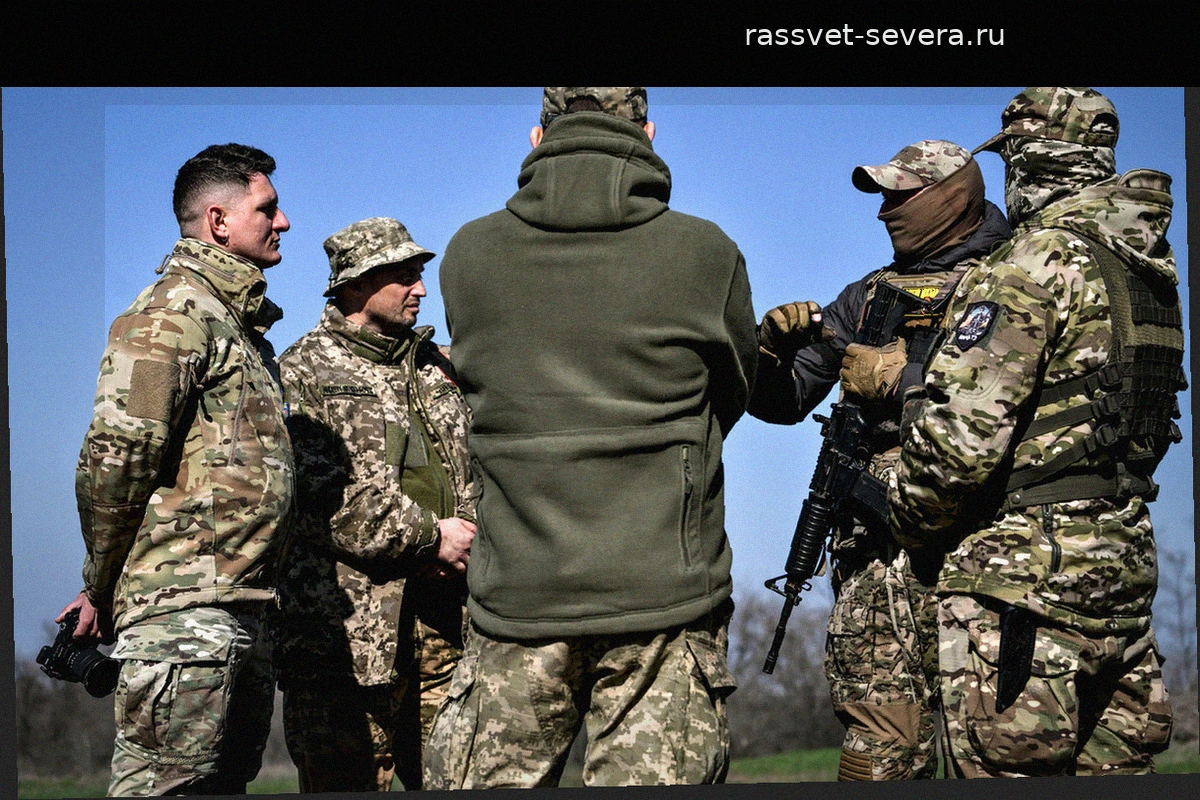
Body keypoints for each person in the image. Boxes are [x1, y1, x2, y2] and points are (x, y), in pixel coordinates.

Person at [423, 87, 763, 788]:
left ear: (537, 137)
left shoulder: (469, 253)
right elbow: (731, 393)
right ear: (648, 132)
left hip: (515, 594)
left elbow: (480, 386)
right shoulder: (705, 251)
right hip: (664, 596)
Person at [885, 87, 1183, 776]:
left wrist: (905, 522)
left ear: (1027, 160)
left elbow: (956, 449)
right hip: (1123, 578)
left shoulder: (1033, 262)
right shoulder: (1146, 271)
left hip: (1024, 592)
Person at [749, 140, 1010, 780]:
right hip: (872, 563)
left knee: (996, 747)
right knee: (877, 745)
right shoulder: (867, 297)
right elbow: (783, 402)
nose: (884, 212)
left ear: (951, 196)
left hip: (983, 556)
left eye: (900, 196)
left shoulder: (1014, 280)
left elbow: (1007, 401)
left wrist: (904, 380)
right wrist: (768, 352)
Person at [60, 143, 295, 795]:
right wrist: (99, 585)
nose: (283, 221)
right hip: (185, 616)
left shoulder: (237, 327)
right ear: (219, 221)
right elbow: (118, 456)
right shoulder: (172, 315)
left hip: (240, 615)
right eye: (268, 208)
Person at [272, 217, 475, 792]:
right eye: (404, 276)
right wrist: (430, 538)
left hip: (448, 626)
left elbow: (479, 466)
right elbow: (319, 494)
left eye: (420, 274)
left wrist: (466, 534)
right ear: (357, 283)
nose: (421, 289)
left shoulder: (436, 366)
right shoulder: (300, 370)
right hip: (349, 644)